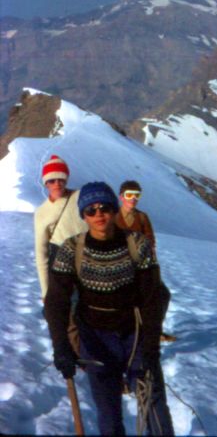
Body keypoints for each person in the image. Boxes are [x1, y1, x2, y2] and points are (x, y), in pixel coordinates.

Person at [44, 181, 174, 436]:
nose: (98, 214)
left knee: (153, 400)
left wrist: (151, 346)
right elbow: (56, 301)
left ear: (114, 210)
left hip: (135, 334)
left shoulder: (137, 244)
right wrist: (61, 346)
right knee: (108, 408)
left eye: (104, 207)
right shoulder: (71, 249)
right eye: (90, 210)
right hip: (95, 339)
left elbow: (152, 297)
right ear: (83, 215)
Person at [115, 180, 175, 342]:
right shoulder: (113, 216)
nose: (133, 199)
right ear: (121, 197)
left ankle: (154, 329)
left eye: (137, 195)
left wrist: (151, 266)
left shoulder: (142, 217)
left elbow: (150, 242)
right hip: (118, 268)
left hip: (142, 267)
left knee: (162, 295)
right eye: (129, 195)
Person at [34, 154, 87, 299]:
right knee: (67, 311)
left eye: (61, 179)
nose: (57, 183)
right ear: (46, 183)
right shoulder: (41, 213)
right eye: (52, 180)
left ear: (66, 180)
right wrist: (46, 291)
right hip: (62, 269)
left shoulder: (81, 196)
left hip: (90, 263)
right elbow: (41, 253)